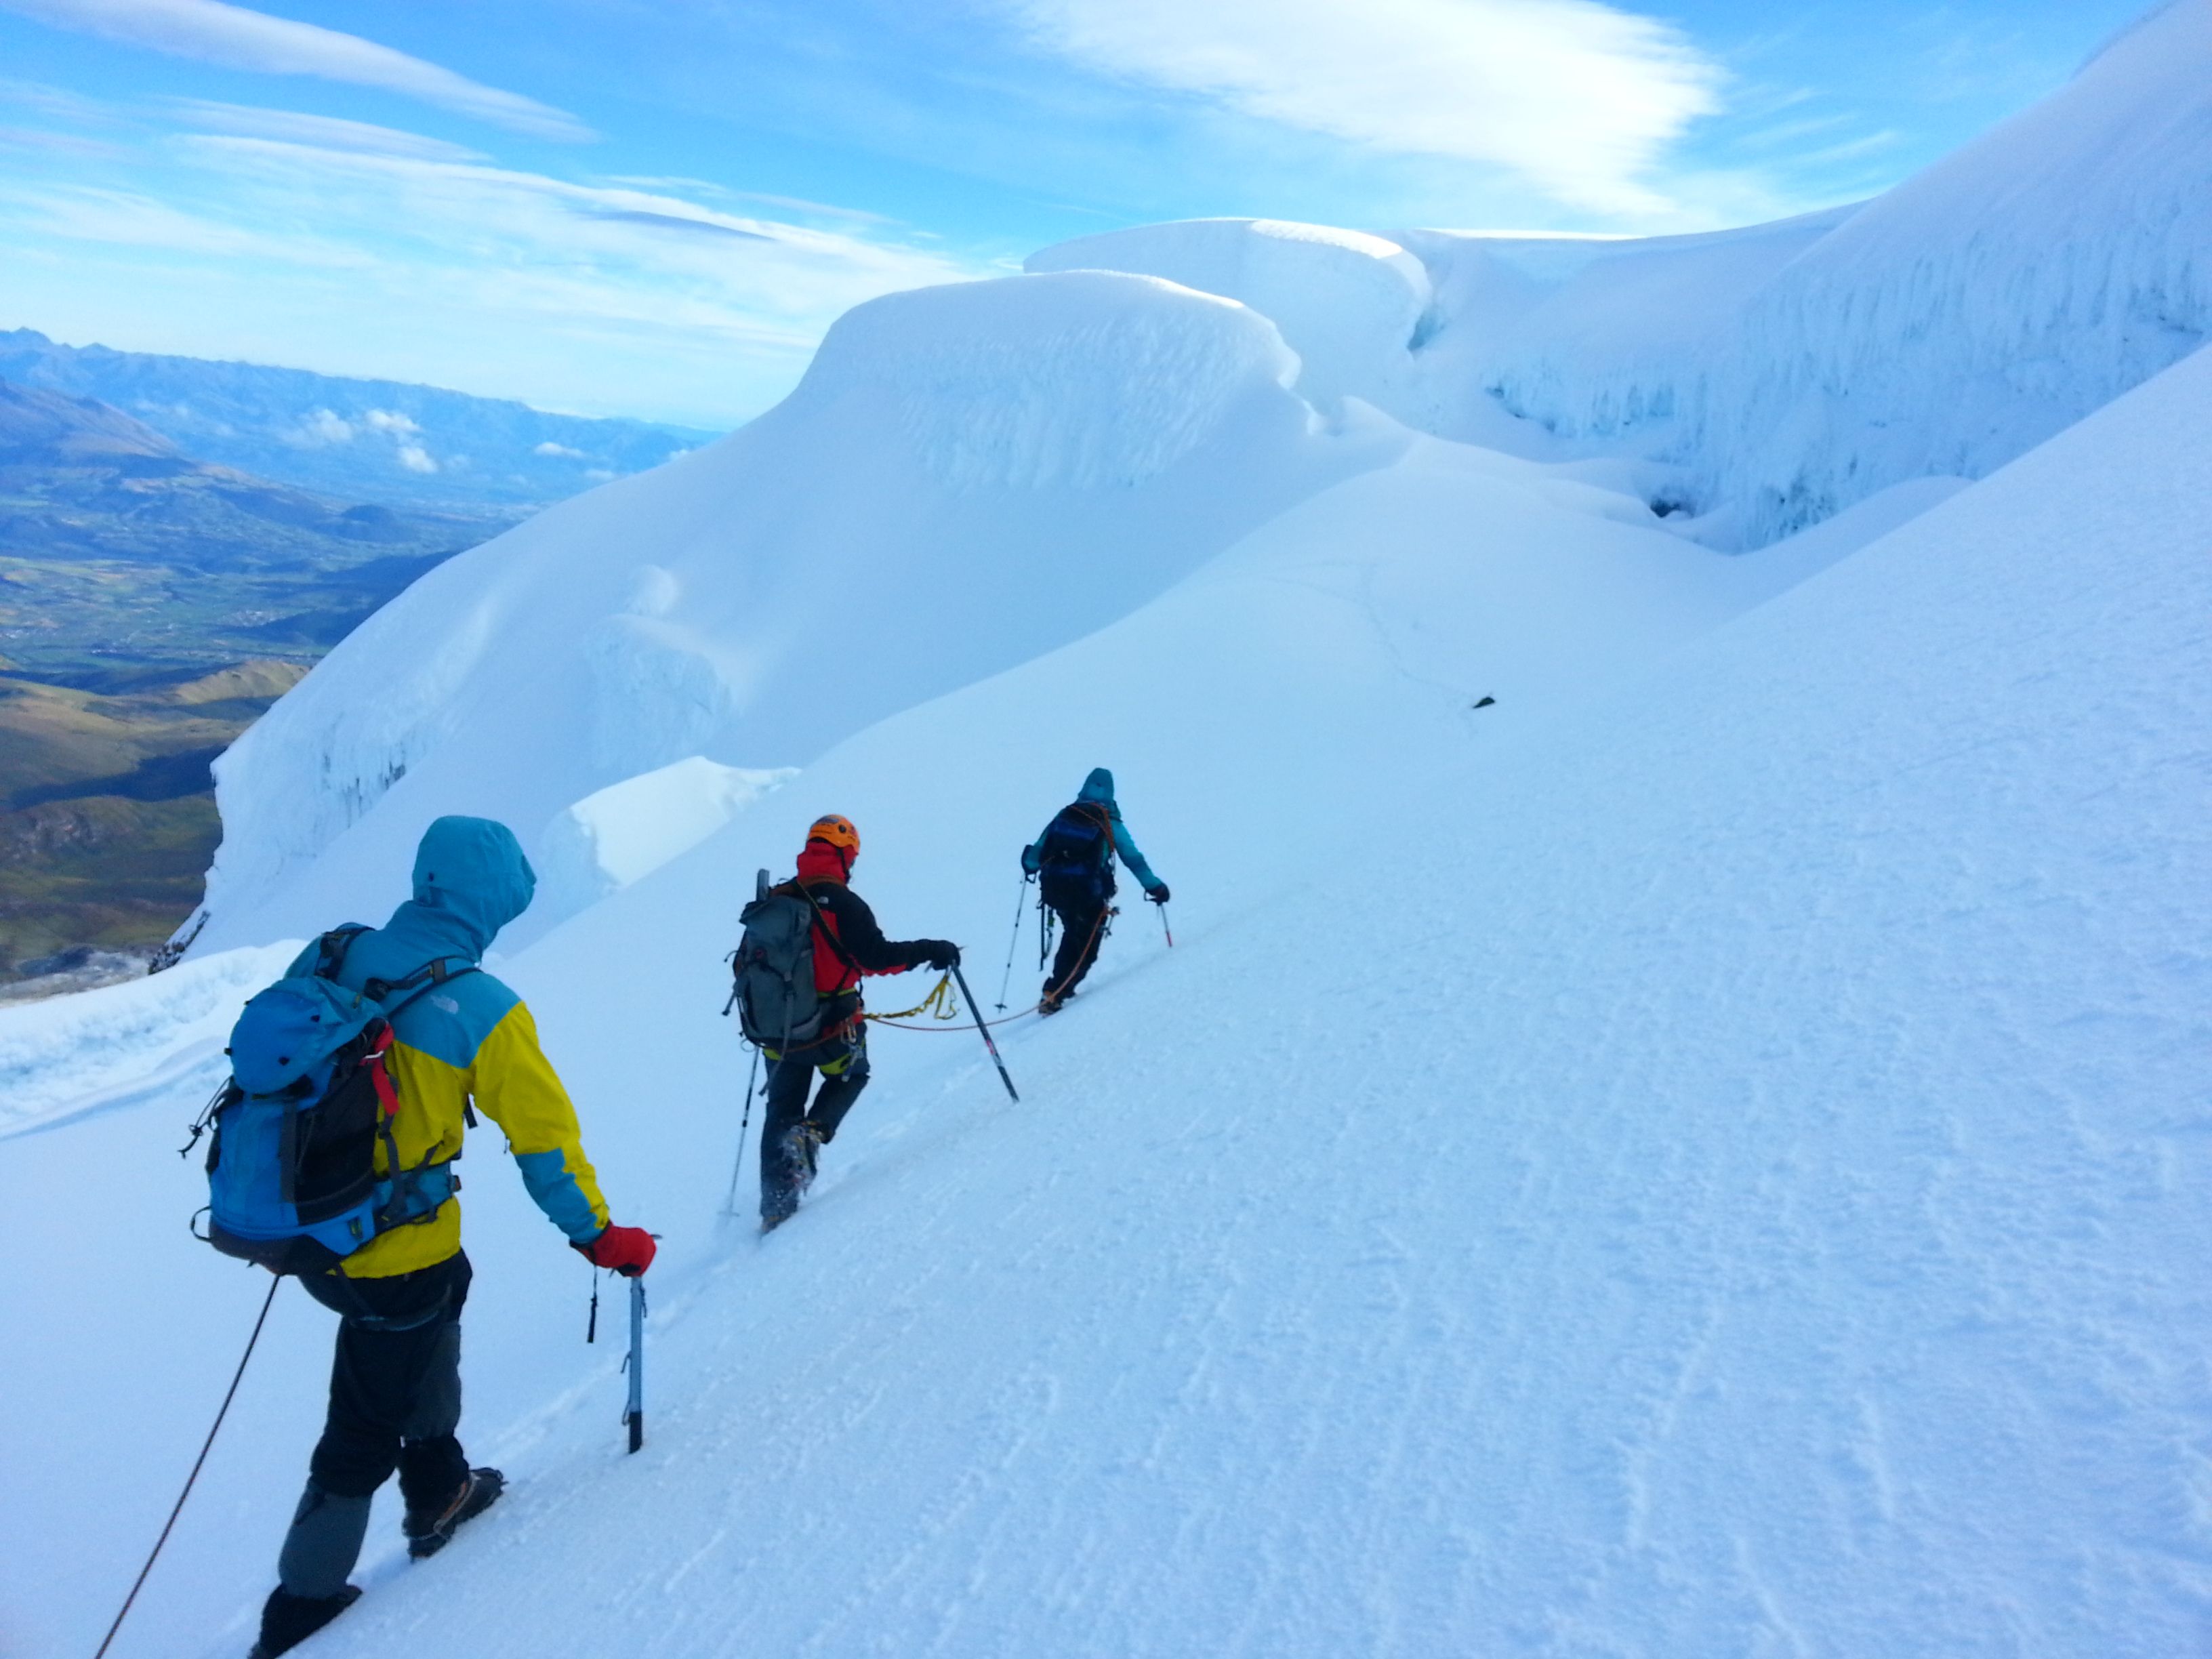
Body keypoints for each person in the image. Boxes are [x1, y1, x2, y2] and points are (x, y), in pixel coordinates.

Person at [253, 816, 656, 1658]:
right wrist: (601, 1238)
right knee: (365, 1411)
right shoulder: (484, 1009)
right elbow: (547, 1147)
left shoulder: (336, 952)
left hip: (309, 1230)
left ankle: (438, 1483)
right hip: (395, 1246)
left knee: (441, 1301)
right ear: (495, 900)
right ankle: (301, 1602)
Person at [756, 814, 960, 1231]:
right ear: (845, 854)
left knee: (780, 1109)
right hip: (832, 1023)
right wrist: (931, 950)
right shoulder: (845, 903)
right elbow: (875, 958)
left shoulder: (775, 900)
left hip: (776, 1029)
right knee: (852, 1076)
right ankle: (812, 1133)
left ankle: (776, 1207)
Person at [1022, 768, 1168, 1014]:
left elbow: (1035, 856)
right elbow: (1133, 858)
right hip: (1089, 894)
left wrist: (1029, 863)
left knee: (1071, 935)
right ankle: (1056, 992)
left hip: (1057, 892)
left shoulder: (1065, 815)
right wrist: (1155, 887)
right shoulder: (1109, 822)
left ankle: (1055, 990)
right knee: (1085, 948)